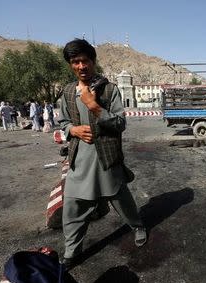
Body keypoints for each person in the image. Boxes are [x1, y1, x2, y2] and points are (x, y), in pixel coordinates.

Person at [58, 38, 146, 267]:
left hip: (107, 160)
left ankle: (137, 226)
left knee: (122, 201)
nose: (81, 66)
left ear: (93, 61)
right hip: (80, 163)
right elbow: (63, 122)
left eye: (85, 60)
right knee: (73, 209)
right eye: (75, 62)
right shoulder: (67, 92)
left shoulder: (109, 90)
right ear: (70, 65)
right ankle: (71, 252)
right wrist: (73, 129)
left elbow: (120, 123)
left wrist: (94, 106)